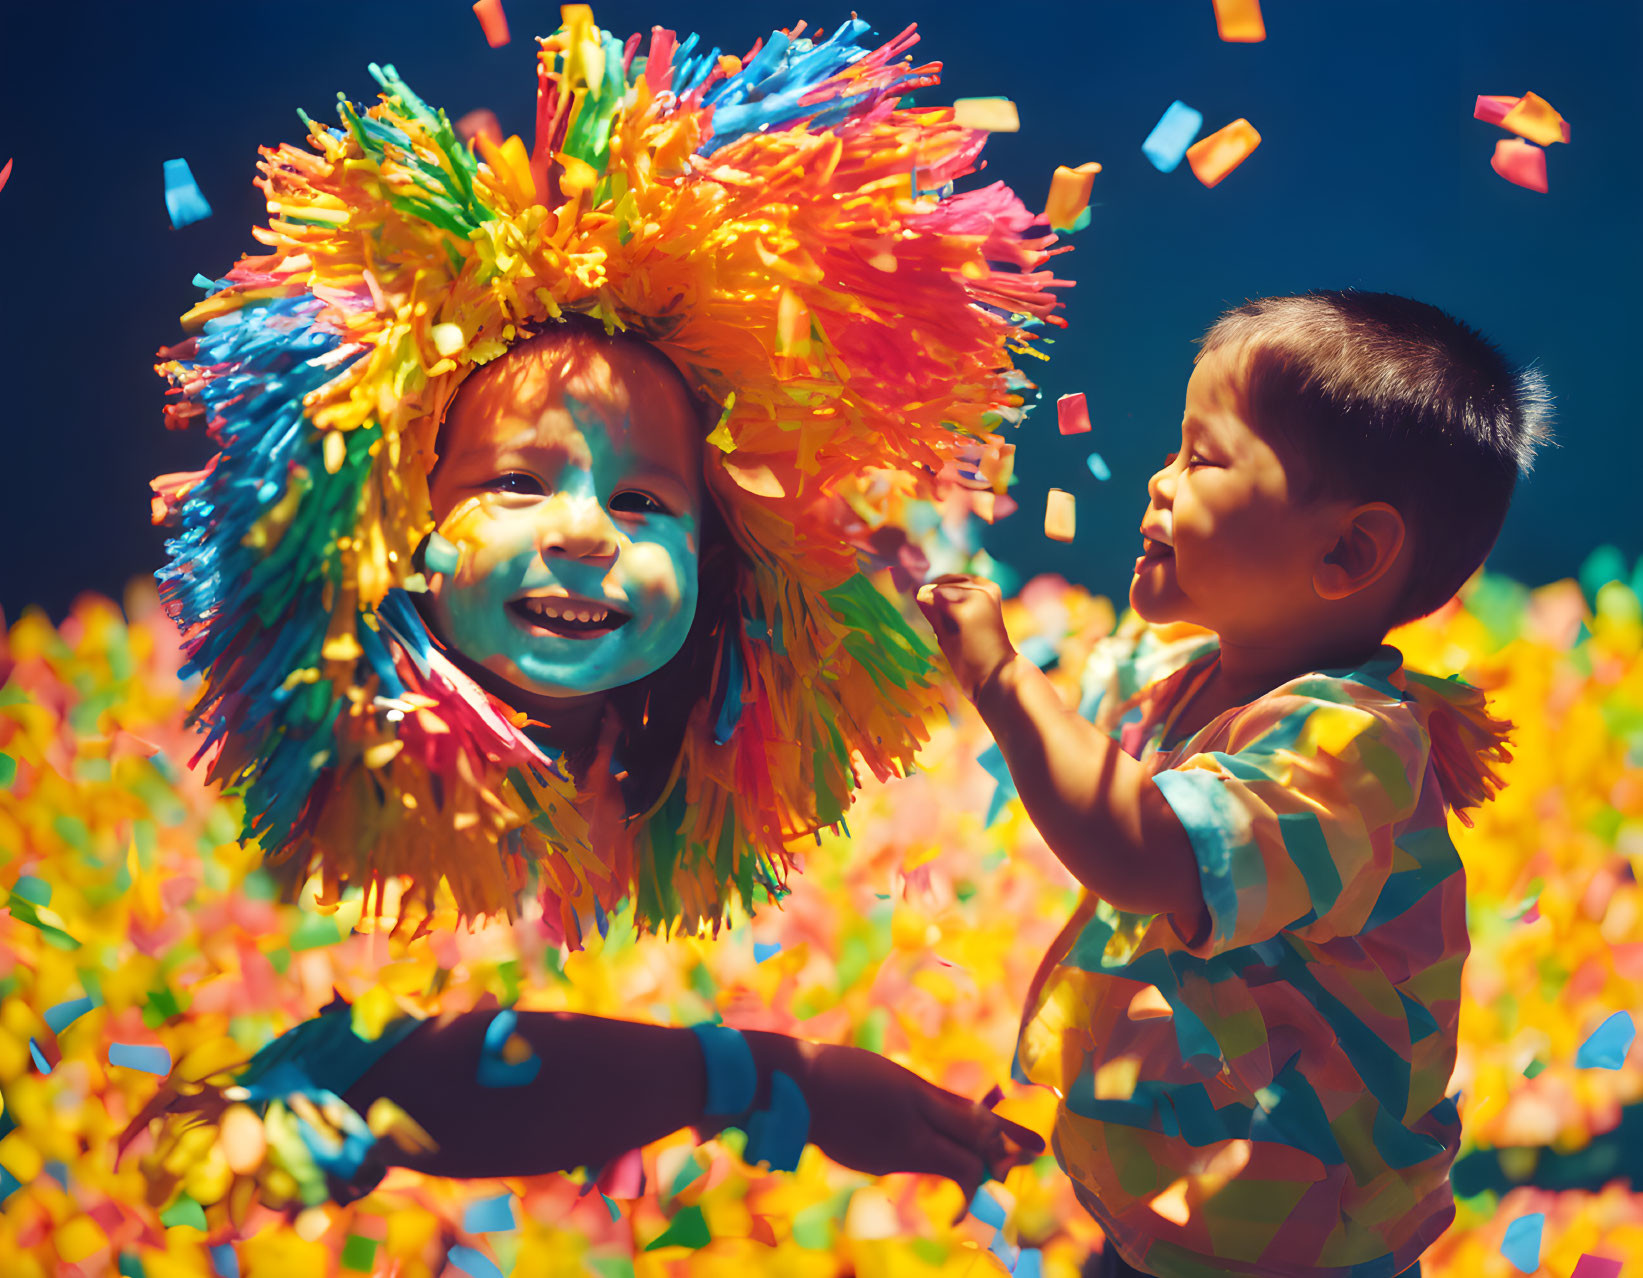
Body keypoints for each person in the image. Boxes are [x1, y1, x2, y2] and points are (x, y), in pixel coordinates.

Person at [130, 10, 1059, 1220]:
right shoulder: (303, 765)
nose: (580, 530)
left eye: (639, 500)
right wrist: (781, 1083)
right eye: (515, 482)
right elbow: (363, 1076)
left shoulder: (700, 768)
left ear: (721, 561)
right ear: (396, 523)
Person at [917, 290, 1549, 1278]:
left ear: (1345, 551)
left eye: (1199, 459)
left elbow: (1145, 852)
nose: (1156, 482)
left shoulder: (1348, 752)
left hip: (1302, 1252)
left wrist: (1000, 678)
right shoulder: (1181, 673)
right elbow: (1084, 712)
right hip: (1180, 1225)